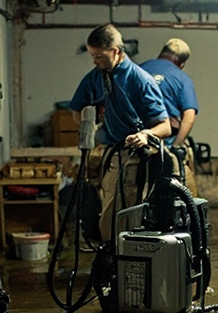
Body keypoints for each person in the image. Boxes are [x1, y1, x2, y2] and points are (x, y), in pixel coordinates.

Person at [67, 23, 171, 242]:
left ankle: (127, 262)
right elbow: (76, 108)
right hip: (113, 154)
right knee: (110, 213)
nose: (95, 61)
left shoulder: (139, 80)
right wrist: (91, 124)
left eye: (99, 56)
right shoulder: (96, 76)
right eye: (93, 56)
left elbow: (165, 126)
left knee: (127, 214)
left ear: (116, 51)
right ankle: (112, 259)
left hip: (137, 156)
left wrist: (144, 134)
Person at [139, 38, 201, 196]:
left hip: (137, 144)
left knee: (135, 195)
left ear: (161, 53)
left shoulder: (138, 71)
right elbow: (189, 117)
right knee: (185, 194)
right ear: (182, 63)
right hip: (166, 145)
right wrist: (176, 145)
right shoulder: (182, 78)